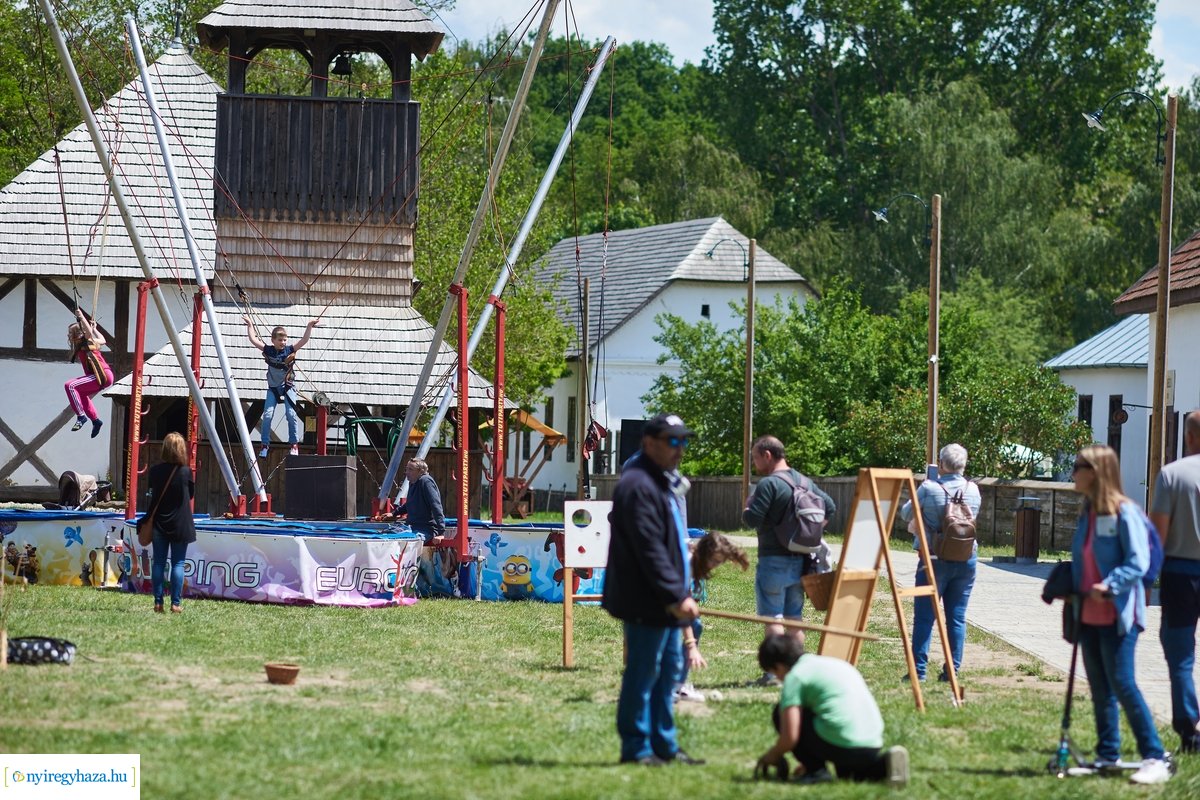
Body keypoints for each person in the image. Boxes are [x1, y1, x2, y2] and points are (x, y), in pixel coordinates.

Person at [602, 413, 703, 766]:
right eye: (673, 441)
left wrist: (681, 592)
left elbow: (671, 542)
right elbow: (649, 549)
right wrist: (676, 596)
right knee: (643, 672)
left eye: (683, 441)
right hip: (646, 598)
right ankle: (637, 748)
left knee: (669, 673)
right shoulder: (637, 484)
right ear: (649, 443)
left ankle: (665, 745)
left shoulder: (661, 481)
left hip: (667, 598)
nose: (680, 449)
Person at [1071, 444, 1172, 784]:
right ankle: (1107, 754)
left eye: (1078, 466)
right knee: (1100, 688)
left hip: (1118, 615)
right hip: (1087, 613)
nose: (1073, 473)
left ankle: (1155, 756)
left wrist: (1110, 585)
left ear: (1096, 472)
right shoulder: (1088, 513)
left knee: (1123, 684)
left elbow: (1139, 561)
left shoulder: (1125, 513)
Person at [754, 633, 908, 786]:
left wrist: (773, 755)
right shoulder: (835, 663)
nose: (779, 678)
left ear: (779, 666)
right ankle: (885, 765)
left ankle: (816, 772)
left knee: (779, 712)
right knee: (849, 775)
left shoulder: (796, 676)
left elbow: (790, 737)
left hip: (842, 744)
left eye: (775, 673)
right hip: (871, 743)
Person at [742, 435, 836, 686]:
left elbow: (752, 520)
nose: (754, 463)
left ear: (767, 455)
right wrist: (807, 533)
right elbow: (830, 507)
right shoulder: (804, 481)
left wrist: (747, 508)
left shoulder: (769, 484)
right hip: (802, 561)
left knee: (772, 616)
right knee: (794, 617)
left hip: (773, 560)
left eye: (754, 457)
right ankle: (795, 670)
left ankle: (774, 673)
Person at [899, 443, 981, 682]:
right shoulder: (973, 489)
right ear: (964, 464)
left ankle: (918, 672)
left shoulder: (929, 487)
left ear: (942, 464)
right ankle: (952, 671)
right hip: (966, 558)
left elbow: (906, 513)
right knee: (957, 617)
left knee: (925, 617)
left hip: (933, 558)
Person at [1150, 410, 1200, 755]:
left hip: (1181, 574)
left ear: (1189, 437)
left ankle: (1188, 729)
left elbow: (1158, 534)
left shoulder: (1172, 474)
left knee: (1180, 652)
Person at [676, 532, 750, 703]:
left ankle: (676, 682)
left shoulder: (694, 559)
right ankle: (675, 685)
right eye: (715, 561)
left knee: (695, 624)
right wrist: (691, 646)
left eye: (720, 562)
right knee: (689, 628)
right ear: (703, 553)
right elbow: (681, 610)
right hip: (656, 603)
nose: (715, 566)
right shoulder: (685, 565)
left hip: (669, 600)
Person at [243, 316, 318, 457]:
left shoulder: (289, 350)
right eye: (280, 340)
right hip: (273, 388)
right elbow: (253, 340)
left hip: (288, 386)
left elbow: (304, 340)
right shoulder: (269, 350)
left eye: (284, 340)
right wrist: (250, 325)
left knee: (291, 414)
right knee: (268, 414)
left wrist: (309, 326)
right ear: (273, 340)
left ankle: (293, 444)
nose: (283, 342)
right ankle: (265, 444)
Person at [146, 432, 196, 614]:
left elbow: (151, 494)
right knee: (178, 564)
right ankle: (175, 603)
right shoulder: (186, 472)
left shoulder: (155, 471)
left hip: (159, 522)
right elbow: (190, 495)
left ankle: (158, 602)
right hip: (180, 524)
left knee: (158, 563)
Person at [64, 308, 113, 438]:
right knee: (81, 393)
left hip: (101, 375)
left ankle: (81, 416)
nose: (68, 336)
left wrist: (81, 317)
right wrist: (95, 329)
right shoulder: (89, 342)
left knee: (70, 385)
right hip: (104, 376)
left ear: (79, 334)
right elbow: (103, 340)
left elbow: (88, 332)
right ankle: (96, 421)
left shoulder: (87, 341)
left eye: (71, 333)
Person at [397, 458, 446, 543]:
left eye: (410, 469)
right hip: (411, 527)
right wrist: (394, 513)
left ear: (420, 471)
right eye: (406, 469)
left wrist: (441, 532)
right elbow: (410, 503)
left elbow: (436, 506)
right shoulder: (412, 482)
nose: (406, 472)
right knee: (389, 534)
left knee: (408, 542)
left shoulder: (426, 482)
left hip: (426, 529)